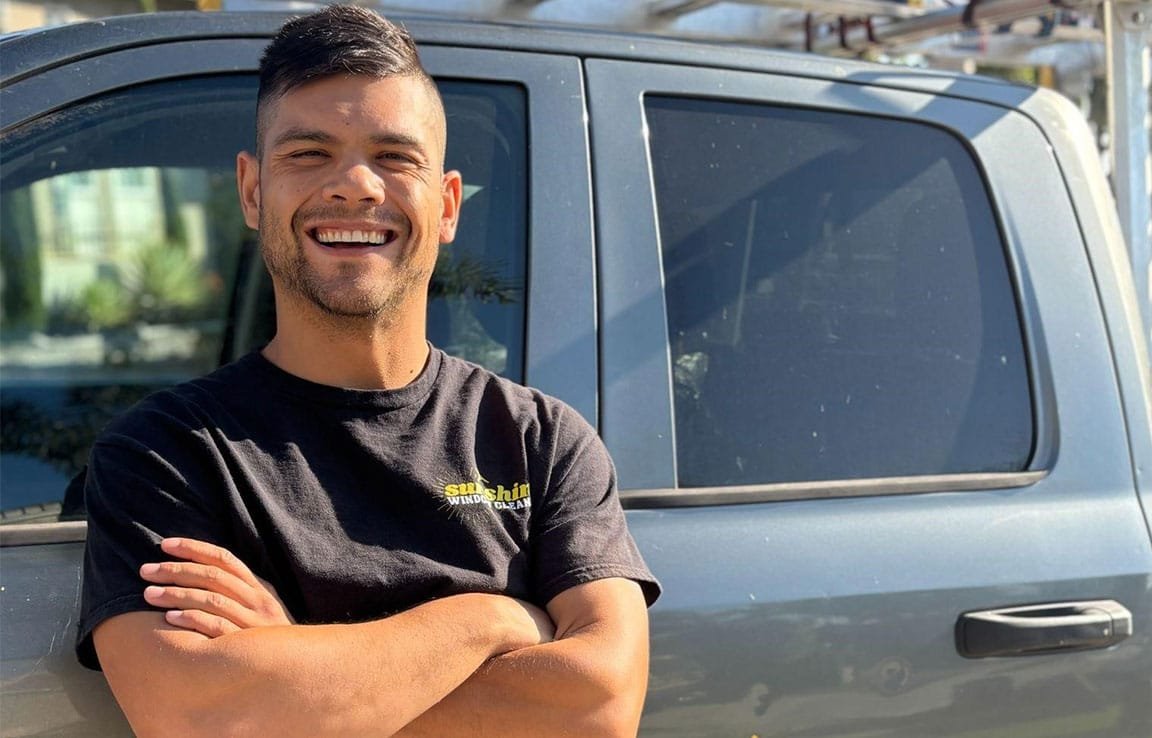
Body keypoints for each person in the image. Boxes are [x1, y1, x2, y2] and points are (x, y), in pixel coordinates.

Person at [75, 6, 660, 736]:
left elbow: (601, 705)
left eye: (394, 156)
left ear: (447, 205)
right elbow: (202, 716)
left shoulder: (541, 441)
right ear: (252, 192)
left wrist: (296, 667)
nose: (355, 185)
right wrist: (494, 619)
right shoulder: (167, 451)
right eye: (308, 152)